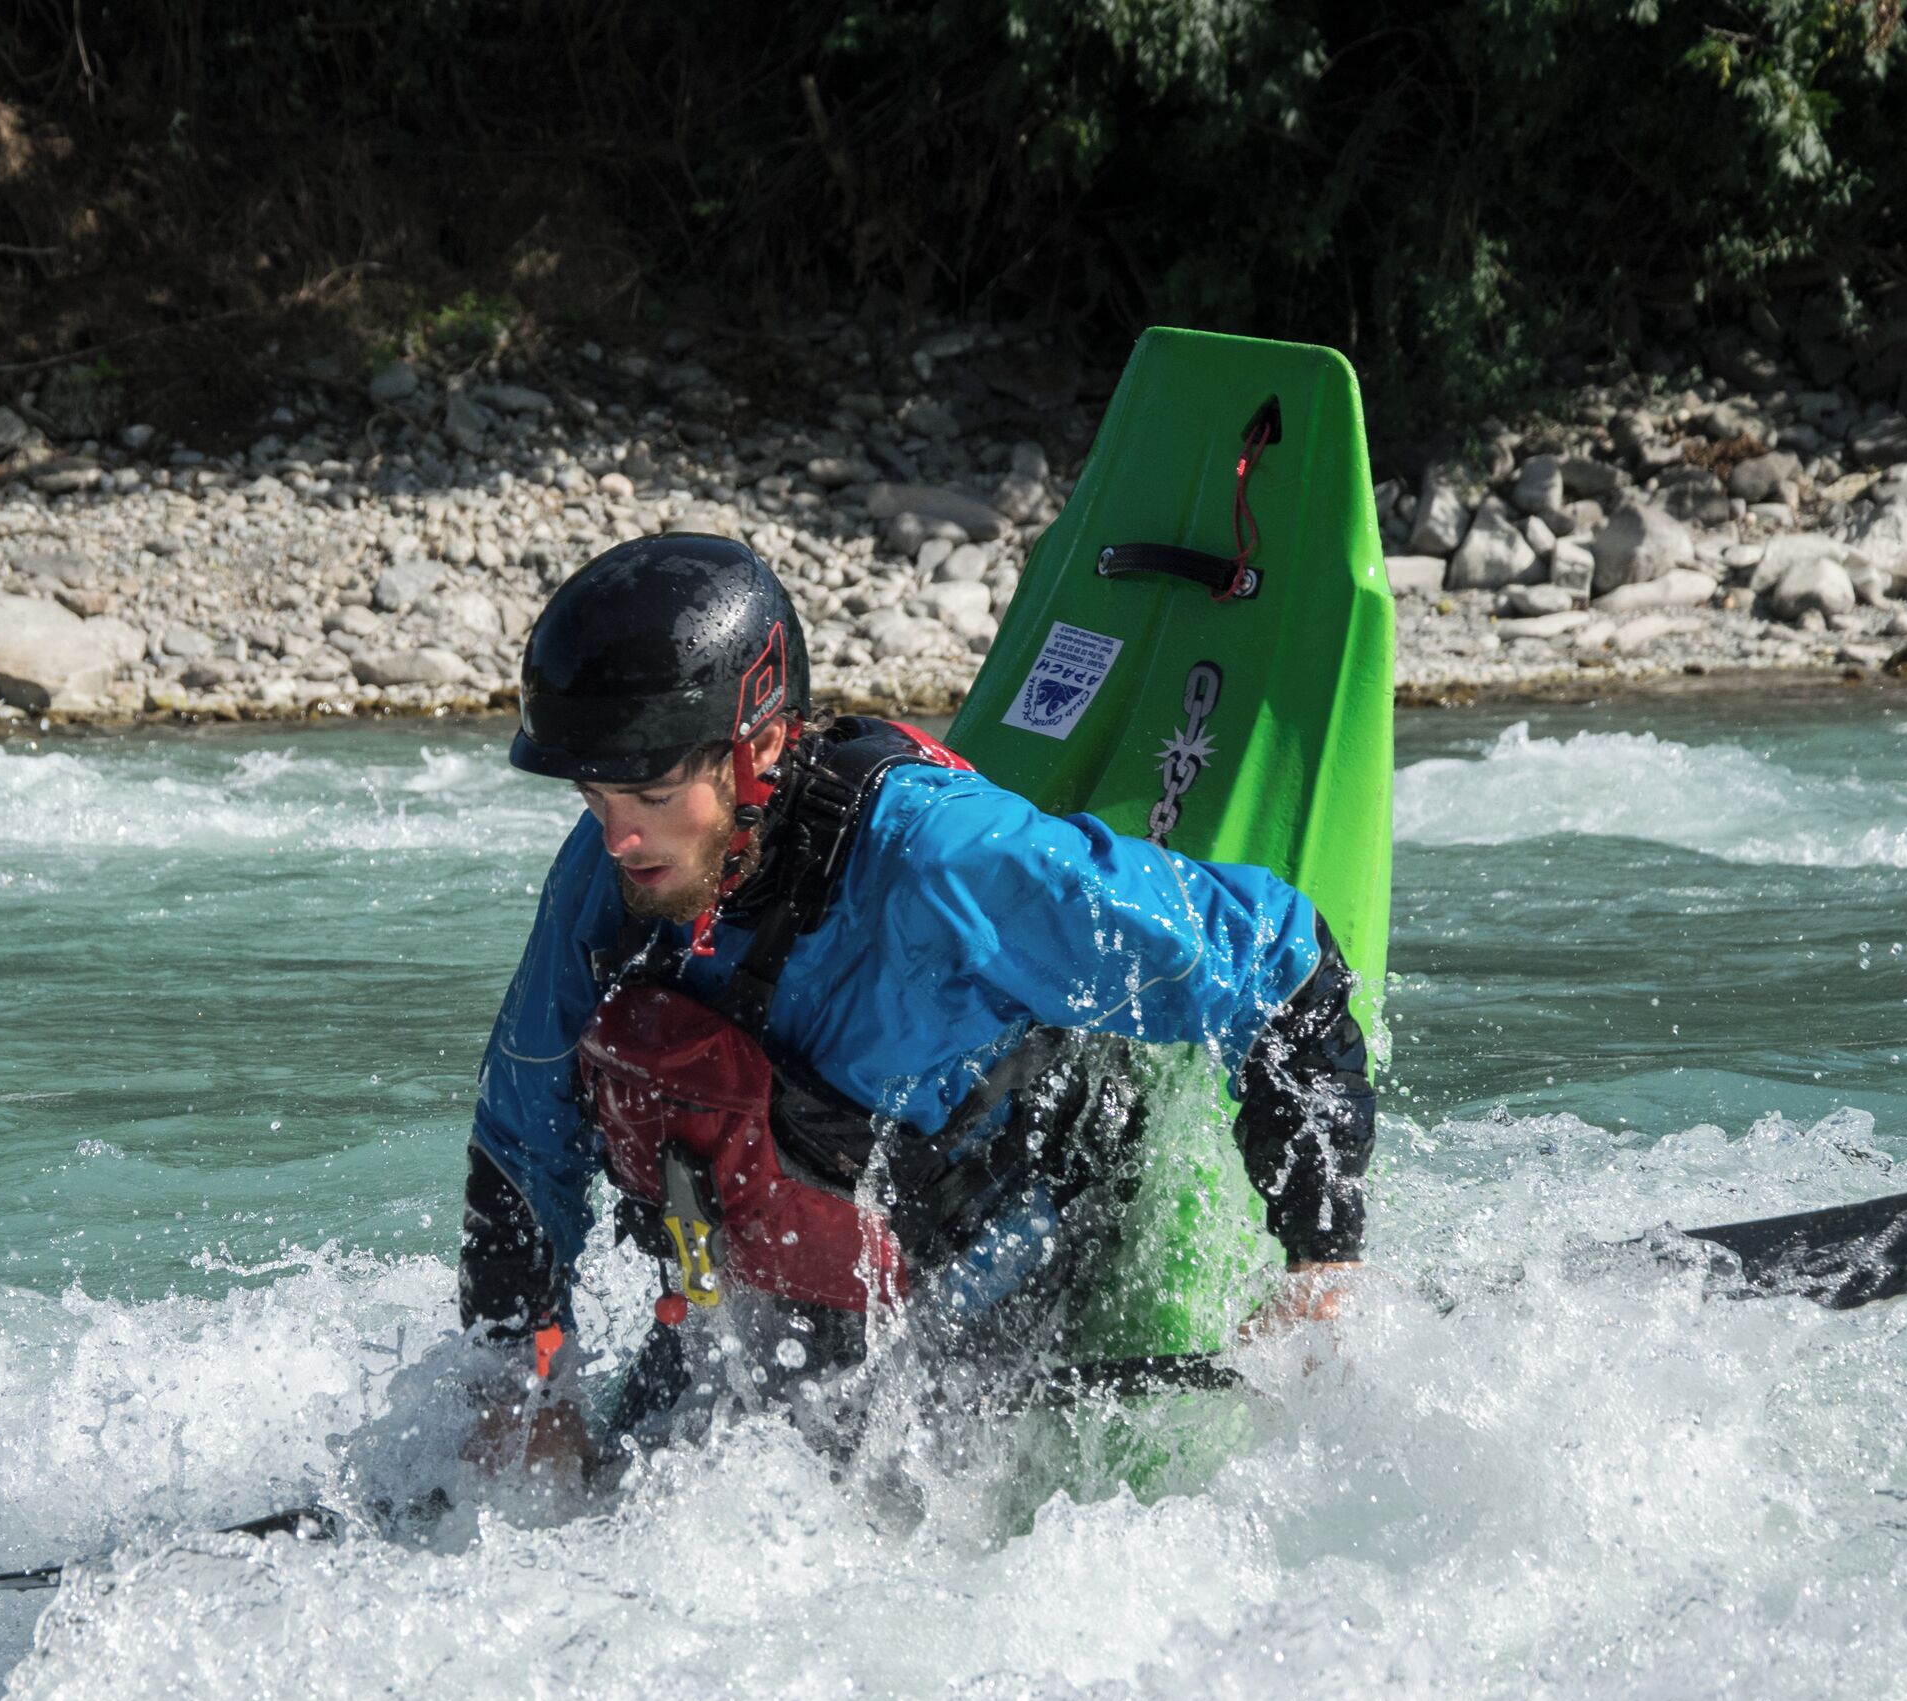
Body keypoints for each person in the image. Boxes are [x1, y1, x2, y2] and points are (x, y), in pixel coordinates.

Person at [459, 533, 1371, 1473]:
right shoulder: (618, 868)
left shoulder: (945, 862)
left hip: (987, 1287)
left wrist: (1323, 1262)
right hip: (746, 1303)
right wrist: (522, 1387)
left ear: (760, 746)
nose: (615, 836)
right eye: (595, 794)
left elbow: (1278, 961)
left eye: (648, 792)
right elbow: (519, 1136)